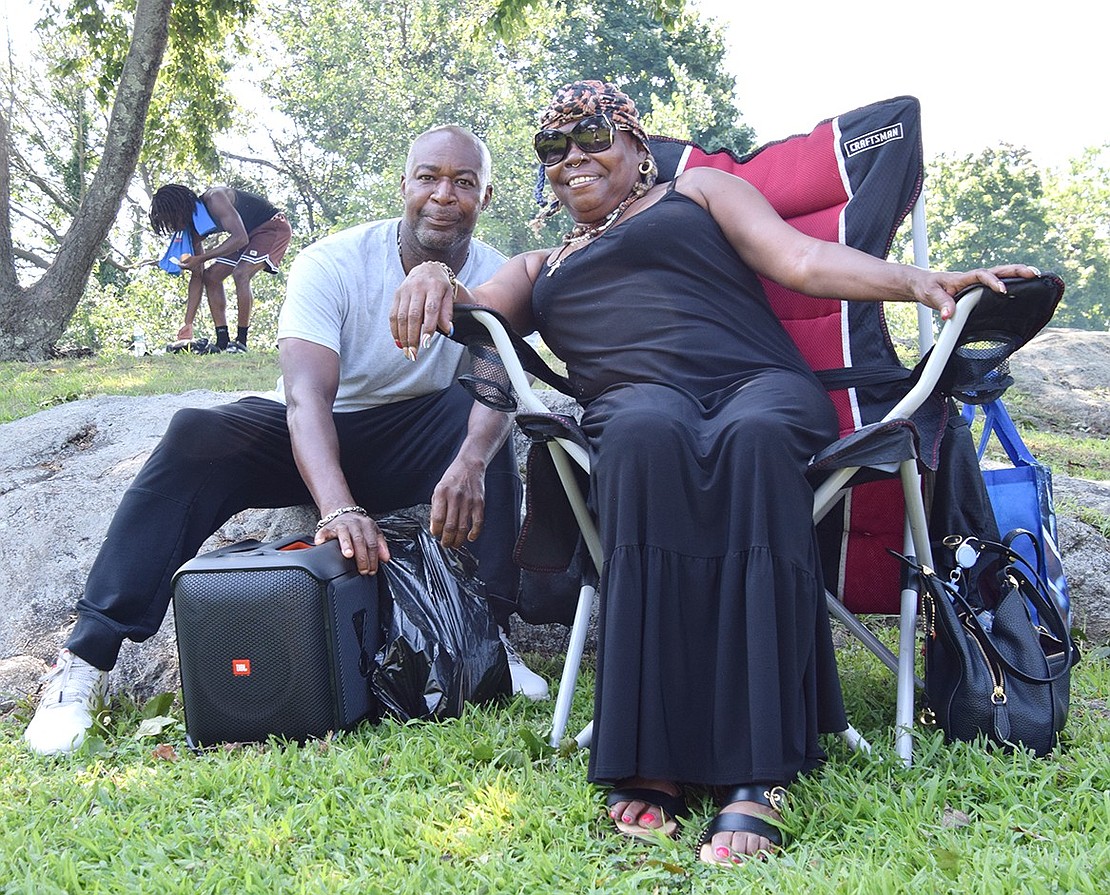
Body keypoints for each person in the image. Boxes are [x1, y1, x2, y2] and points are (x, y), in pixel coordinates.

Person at [391, 81, 1040, 866]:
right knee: (640, 434)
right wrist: (431, 277)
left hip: (755, 384)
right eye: (552, 150)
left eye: (592, 135)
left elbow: (799, 259)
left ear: (637, 145)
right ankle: (654, 758)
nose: (572, 160)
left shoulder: (697, 192)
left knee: (760, 436)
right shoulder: (540, 264)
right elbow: (476, 306)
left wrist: (917, 281)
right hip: (636, 406)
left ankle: (758, 773)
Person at [24, 125, 548, 757]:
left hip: (415, 433)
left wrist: (471, 459)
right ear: (404, 185)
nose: (444, 194)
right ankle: (84, 663)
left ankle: (489, 640)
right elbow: (306, 400)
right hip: (317, 431)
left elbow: (499, 379)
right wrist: (337, 507)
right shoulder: (333, 262)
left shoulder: (499, 273)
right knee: (198, 433)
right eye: (429, 177)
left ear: (486, 197)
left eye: (464, 183)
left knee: (484, 431)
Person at [150, 183, 293, 352]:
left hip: (271, 227)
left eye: (173, 220)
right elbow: (198, 276)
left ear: (179, 209)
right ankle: (223, 341)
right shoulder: (193, 228)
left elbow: (240, 238)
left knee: (241, 273)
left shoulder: (214, 198)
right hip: (246, 233)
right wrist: (188, 323)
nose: (176, 227)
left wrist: (202, 257)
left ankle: (241, 342)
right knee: (211, 276)